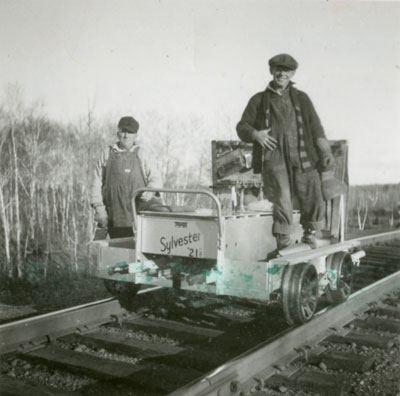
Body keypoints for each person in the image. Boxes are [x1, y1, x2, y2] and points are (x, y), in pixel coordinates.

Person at [236, 54, 335, 249]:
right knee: (281, 197)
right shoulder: (259, 100)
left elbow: (316, 127)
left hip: (304, 157)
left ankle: (310, 233)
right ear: (272, 71)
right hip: (275, 158)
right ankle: (284, 241)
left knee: (312, 192)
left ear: (293, 73)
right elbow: (242, 126)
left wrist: (326, 152)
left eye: (287, 70)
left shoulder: (302, 98)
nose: (282, 73)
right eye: (278, 69)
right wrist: (256, 134)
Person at [90, 116, 162, 239]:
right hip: (114, 215)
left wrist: (150, 191)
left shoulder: (142, 153)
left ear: (136, 135)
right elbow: (97, 182)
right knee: (117, 252)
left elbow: (156, 179)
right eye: (123, 131)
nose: (126, 135)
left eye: (130, 132)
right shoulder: (107, 153)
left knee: (138, 251)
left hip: (138, 215)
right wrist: (98, 207)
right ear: (118, 132)